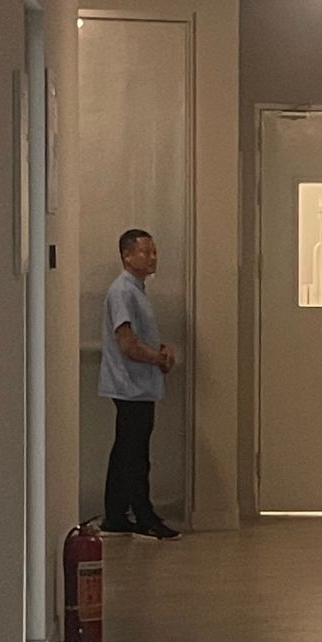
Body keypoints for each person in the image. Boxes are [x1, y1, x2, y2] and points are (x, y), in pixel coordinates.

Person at [98, 228, 180, 541]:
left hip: (138, 385)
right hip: (129, 385)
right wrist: (157, 359)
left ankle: (117, 515)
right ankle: (143, 516)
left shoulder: (136, 291)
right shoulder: (123, 292)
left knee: (126, 451)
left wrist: (160, 353)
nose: (152, 258)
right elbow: (127, 342)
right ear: (127, 256)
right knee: (135, 455)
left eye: (154, 251)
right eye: (145, 252)